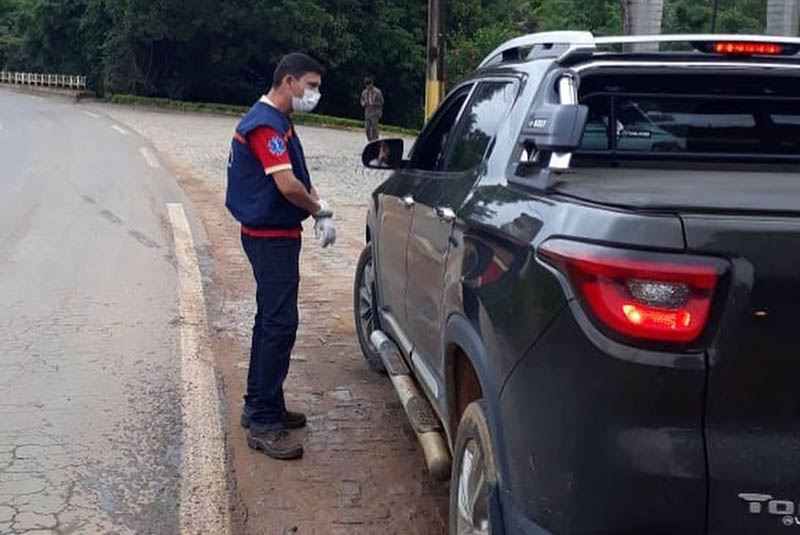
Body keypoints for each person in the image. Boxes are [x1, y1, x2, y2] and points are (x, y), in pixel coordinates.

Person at [225, 52, 336, 460]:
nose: (315, 93)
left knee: (270, 321)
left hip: (273, 233)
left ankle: (262, 403)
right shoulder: (265, 124)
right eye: (311, 85)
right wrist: (318, 209)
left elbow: (292, 179)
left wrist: (314, 202)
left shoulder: (274, 121)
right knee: (279, 323)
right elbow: (288, 185)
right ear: (287, 82)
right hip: (269, 237)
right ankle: (262, 421)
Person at [360, 77, 384, 141]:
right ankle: (370, 141)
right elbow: (361, 100)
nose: (368, 87)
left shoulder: (378, 92)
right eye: (367, 86)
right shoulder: (364, 92)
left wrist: (374, 103)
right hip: (367, 112)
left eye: (369, 85)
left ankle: (375, 141)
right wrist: (364, 103)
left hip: (375, 112)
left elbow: (382, 102)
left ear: (372, 84)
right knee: (367, 129)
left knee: (374, 129)